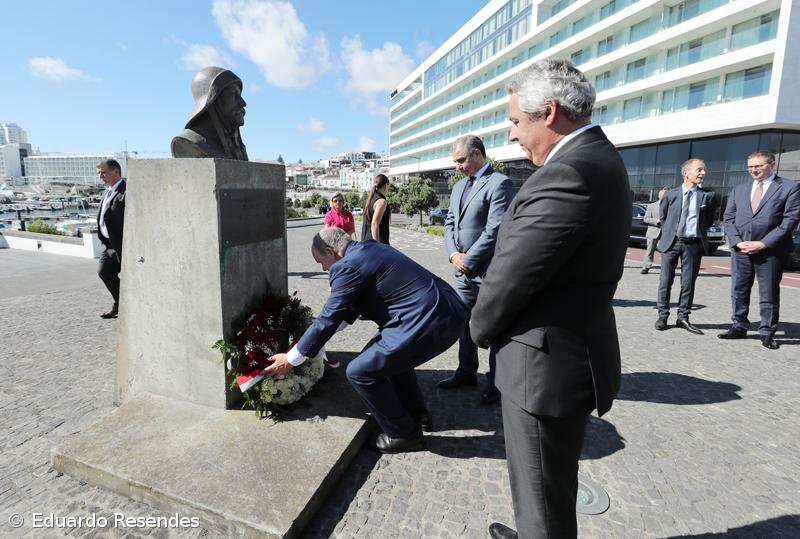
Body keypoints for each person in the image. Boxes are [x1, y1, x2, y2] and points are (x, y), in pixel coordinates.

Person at [469, 60, 630, 539]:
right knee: (547, 488)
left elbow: (511, 276)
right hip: (564, 354)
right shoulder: (599, 159)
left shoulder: (569, 173)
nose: (514, 136)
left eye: (517, 122)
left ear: (549, 112)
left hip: (544, 367)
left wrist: (477, 329)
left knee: (542, 502)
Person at [264, 227, 468, 453]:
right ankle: (416, 414)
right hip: (445, 310)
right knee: (387, 359)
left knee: (360, 371)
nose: (323, 268)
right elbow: (343, 314)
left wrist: (292, 359)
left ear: (331, 252)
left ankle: (404, 435)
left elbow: (329, 318)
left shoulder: (346, 266)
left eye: (320, 261)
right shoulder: (369, 248)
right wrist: (310, 341)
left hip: (426, 319)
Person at [439, 134, 515, 405]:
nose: (458, 166)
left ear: (478, 154)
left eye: (461, 160)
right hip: (462, 271)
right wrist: (453, 254)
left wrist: (469, 258)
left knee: (492, 328)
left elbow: (495, 229)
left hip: (487, 272)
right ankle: (466, 371)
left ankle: (497, 382)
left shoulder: (500, 184)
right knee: (463, 322)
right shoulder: (459, 187)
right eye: (455, 162)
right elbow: (449, 223)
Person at [719, 150, 800, 349]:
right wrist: (738, 242)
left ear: (771, 164)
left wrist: (764, 243)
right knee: (738, 289)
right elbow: (728, 219)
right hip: (741, 250)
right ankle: (739, 326)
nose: (753, 170)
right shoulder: (739, 189)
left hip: (771, 251)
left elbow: (790, 220)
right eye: (750, 167)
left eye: (758, 165)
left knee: (769, 292)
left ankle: (767, 332)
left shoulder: (790, 187)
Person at [655, 159, 718, 334]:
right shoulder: (670, 194)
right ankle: (663, 315)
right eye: (699, 170)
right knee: (665, 281)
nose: (703, 173)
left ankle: (683, 317)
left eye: (704, 170)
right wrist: (673, 233)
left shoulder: (708, 196)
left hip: (693, 244)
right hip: (672, 242)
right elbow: (664, 217)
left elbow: (708, 220)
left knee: (688, 282)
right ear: (686, 173)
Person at [171, 67, 248, 161]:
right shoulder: (188, 142)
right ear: (213, 100)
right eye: (233, 94)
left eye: (239, 95)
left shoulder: (238, 147)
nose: (243, 103)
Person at [96, 159, 126, 319]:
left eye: (104, 172)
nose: (101, 176)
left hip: (123, 245)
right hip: (108, 245)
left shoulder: (126, 190)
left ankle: (124, 303)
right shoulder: (107, 192)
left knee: (131, 279)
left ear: (116, 171)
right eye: (99, 173)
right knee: (104, 272)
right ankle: (120, 301)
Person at [641, 187, 668, 274]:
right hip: (653, 231)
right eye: (663, 195)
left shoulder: (671, 206)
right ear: (659, 195)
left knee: (666, 252)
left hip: (666, 232)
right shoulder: (652, 206)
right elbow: (646, 219)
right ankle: (646, 267)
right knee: (649, 251)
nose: (665, 197)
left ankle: (665, 268)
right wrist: (656, 221)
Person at [361, 174, 390, 244]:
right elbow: (374, 224)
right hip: (377, 242)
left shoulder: (370, 200)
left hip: (366, 240)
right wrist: (377, 245)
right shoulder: (381, 201)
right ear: (386, 185)